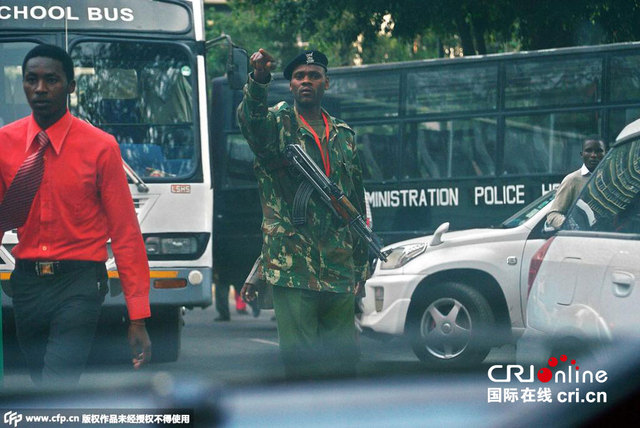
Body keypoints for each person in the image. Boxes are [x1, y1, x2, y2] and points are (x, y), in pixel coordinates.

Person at [0, 44, 151, 385]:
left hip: (80, 284)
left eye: (51, 80)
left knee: (58, 381)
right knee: (40, 384)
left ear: (70, 85)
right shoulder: (4, 143)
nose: (40, 89)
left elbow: (125, 233)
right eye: (31, 80)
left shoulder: (101, 146)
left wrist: (138, 315)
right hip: (25, 284)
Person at [237, 48, 369, 378]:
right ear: (291, 85)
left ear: (326, 83)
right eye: (299, 76)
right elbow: (250, 121)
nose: (306, 81)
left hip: (339, 265)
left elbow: (355, 201)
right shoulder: (275, 125)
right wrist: (258, 80)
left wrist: (361, 265)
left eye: (313, 75)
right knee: (301, 365)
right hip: (293, 266)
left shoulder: (344, 135)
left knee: (343, 363)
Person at [546, 137, 606, 229]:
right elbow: (553, 215)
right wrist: (574, 228)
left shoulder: (610, 178)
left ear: (605, 154)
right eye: (589, 151)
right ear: (582, 154)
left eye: (598, 151)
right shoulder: (572, 180)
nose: (593, 155)